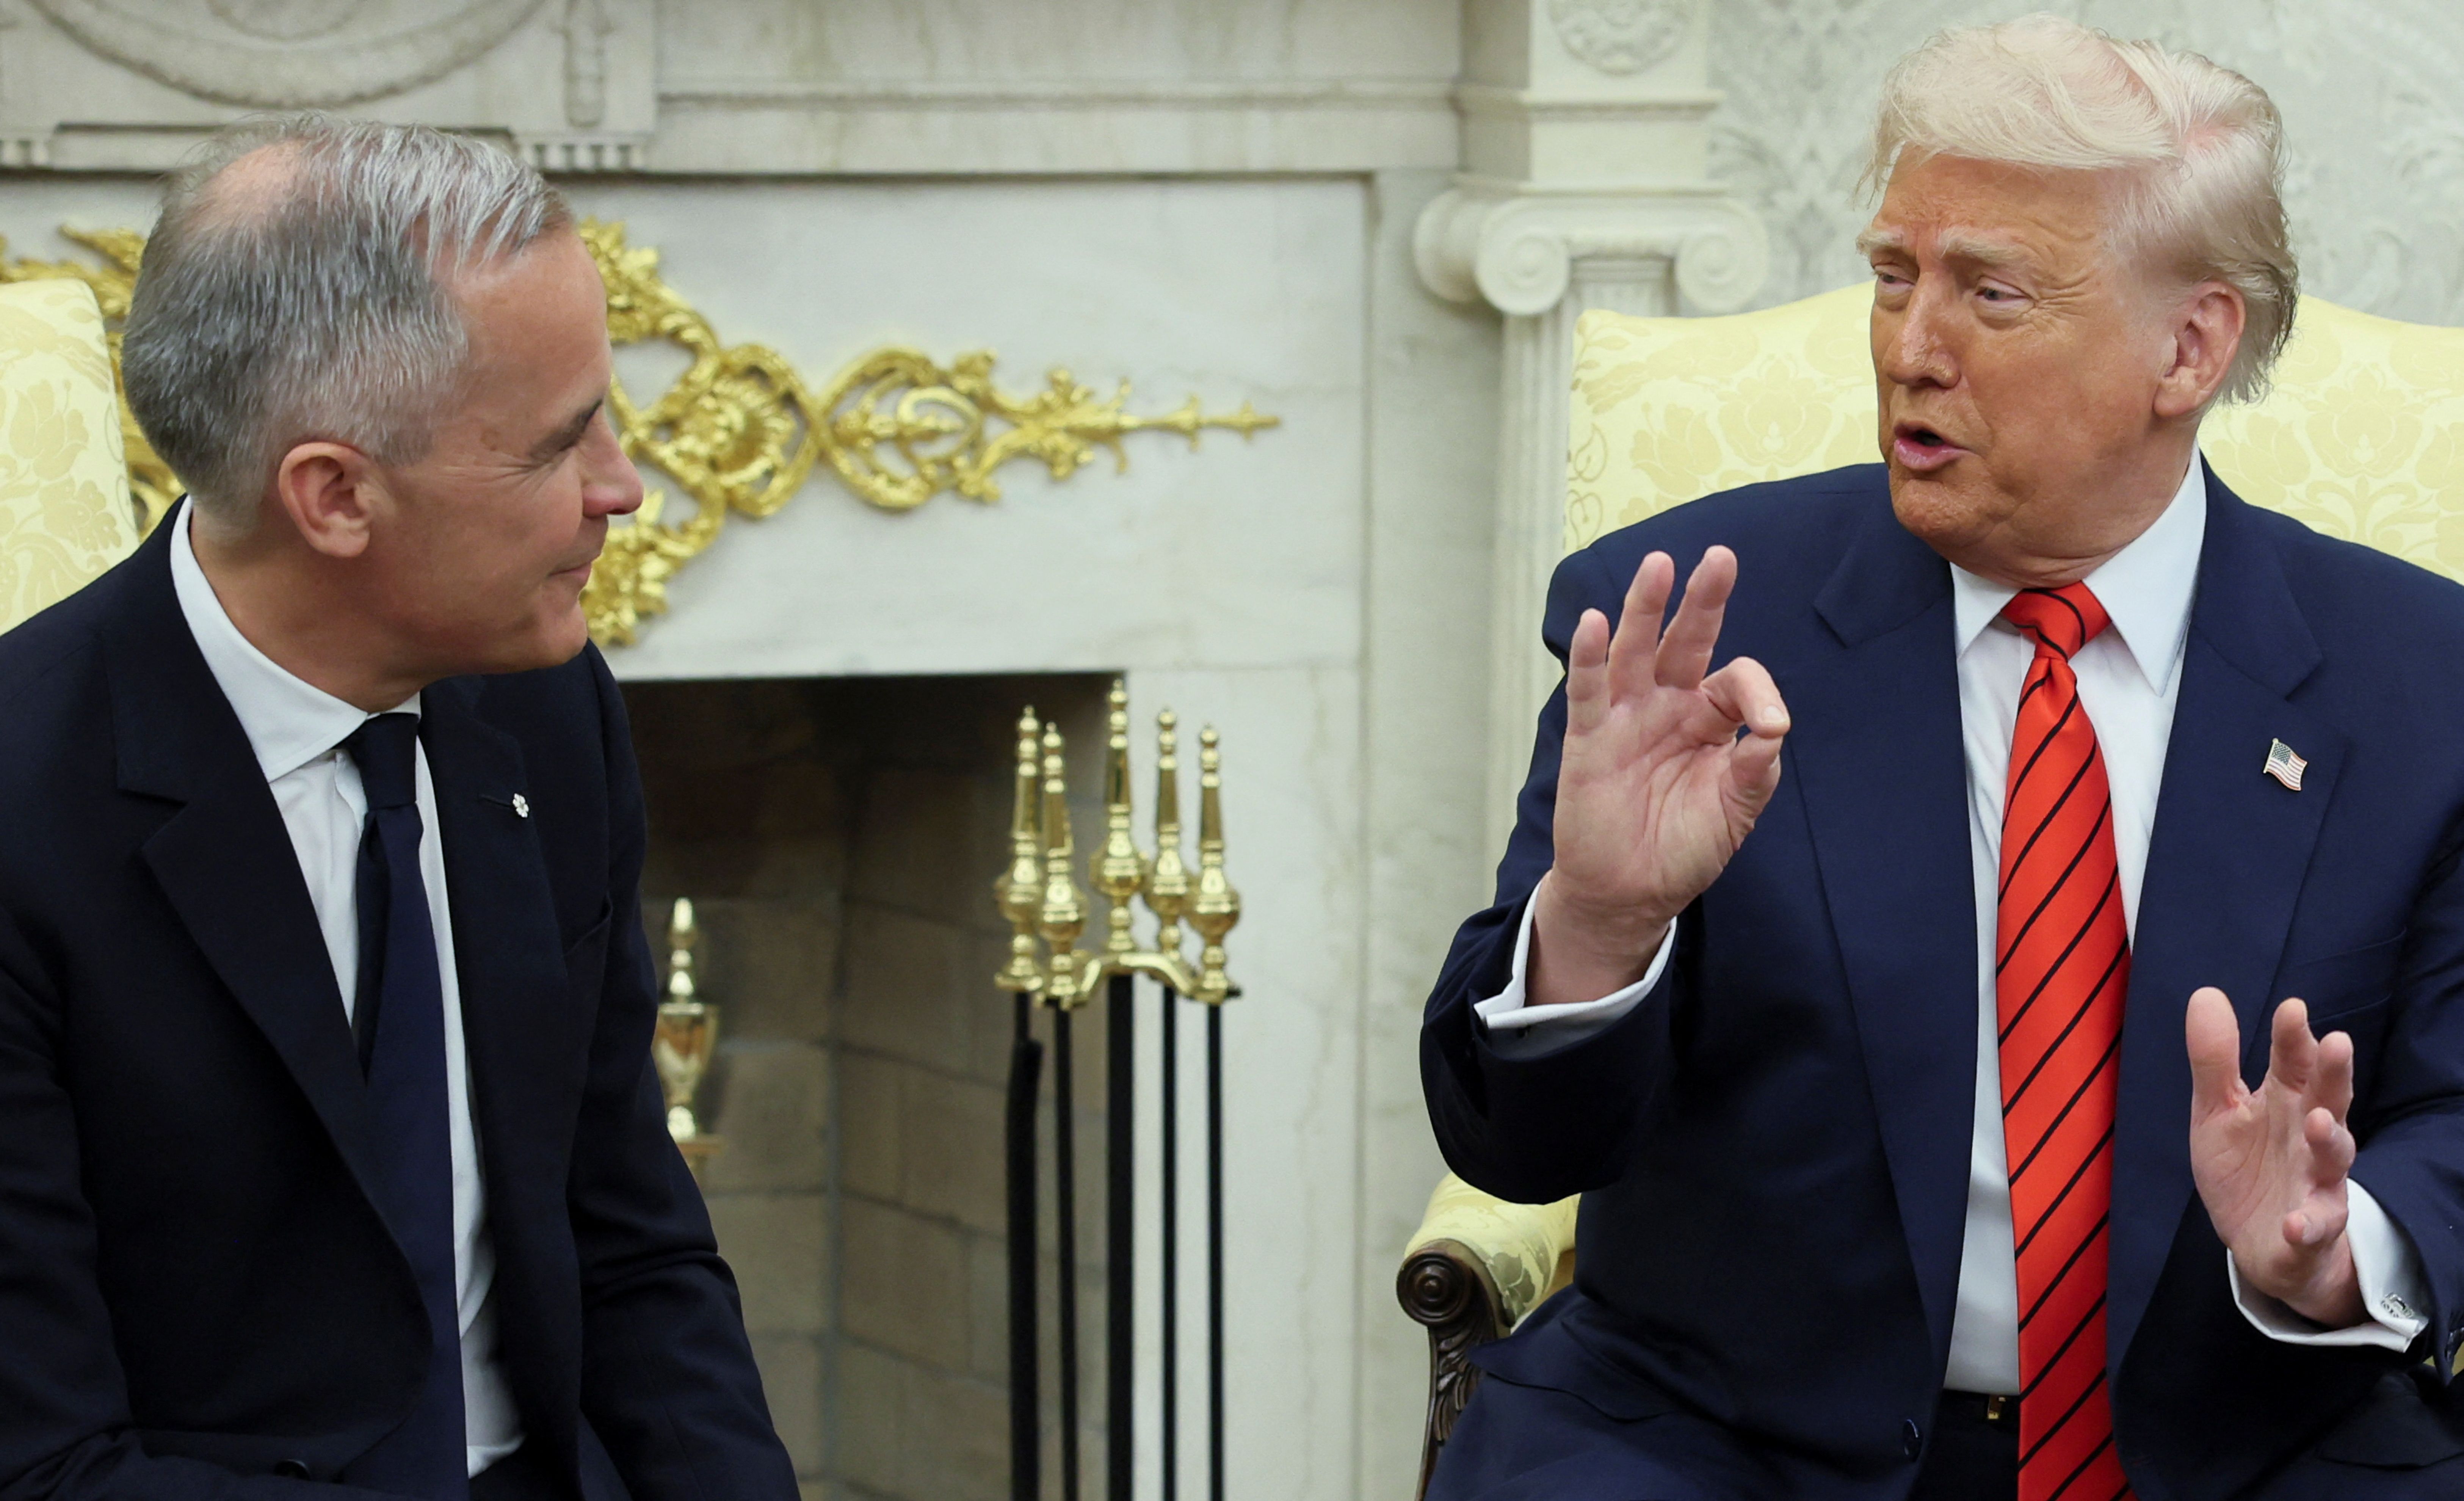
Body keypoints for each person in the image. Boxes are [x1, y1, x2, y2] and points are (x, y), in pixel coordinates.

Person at [1422, 18, 2464, 1501]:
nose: (1910, 349)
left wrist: (2329, 1245)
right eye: (1892, 277)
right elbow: (1516, 1146)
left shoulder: (2416, 682)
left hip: (2245, 1449)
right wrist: (1598, 926)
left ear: (2189, 345)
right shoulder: (1693, 629)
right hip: (1724, 1448)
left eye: (1990, 293)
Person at [0, 116, 798, 1501]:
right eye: (557, 445)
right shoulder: (22, 808)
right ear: (335, 498)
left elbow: (635, 1244)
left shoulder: (546, 707)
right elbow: (41, 1467)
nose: (623, 486)